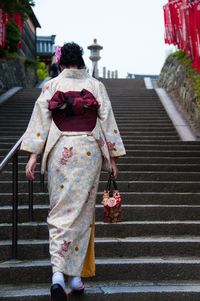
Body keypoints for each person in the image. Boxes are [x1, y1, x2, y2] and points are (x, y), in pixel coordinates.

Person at [20, 42, 126, 301]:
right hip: (88, 151)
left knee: (58, 211)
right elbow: (107, 121)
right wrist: (112, 158)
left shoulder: (52, 86)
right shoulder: (95, 86)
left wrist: (33, 156)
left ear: (61, 63)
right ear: (81, 61)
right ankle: (76, 278)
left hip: (60, 152)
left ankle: (58, 274)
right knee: (81, 212)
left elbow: (40, 121)